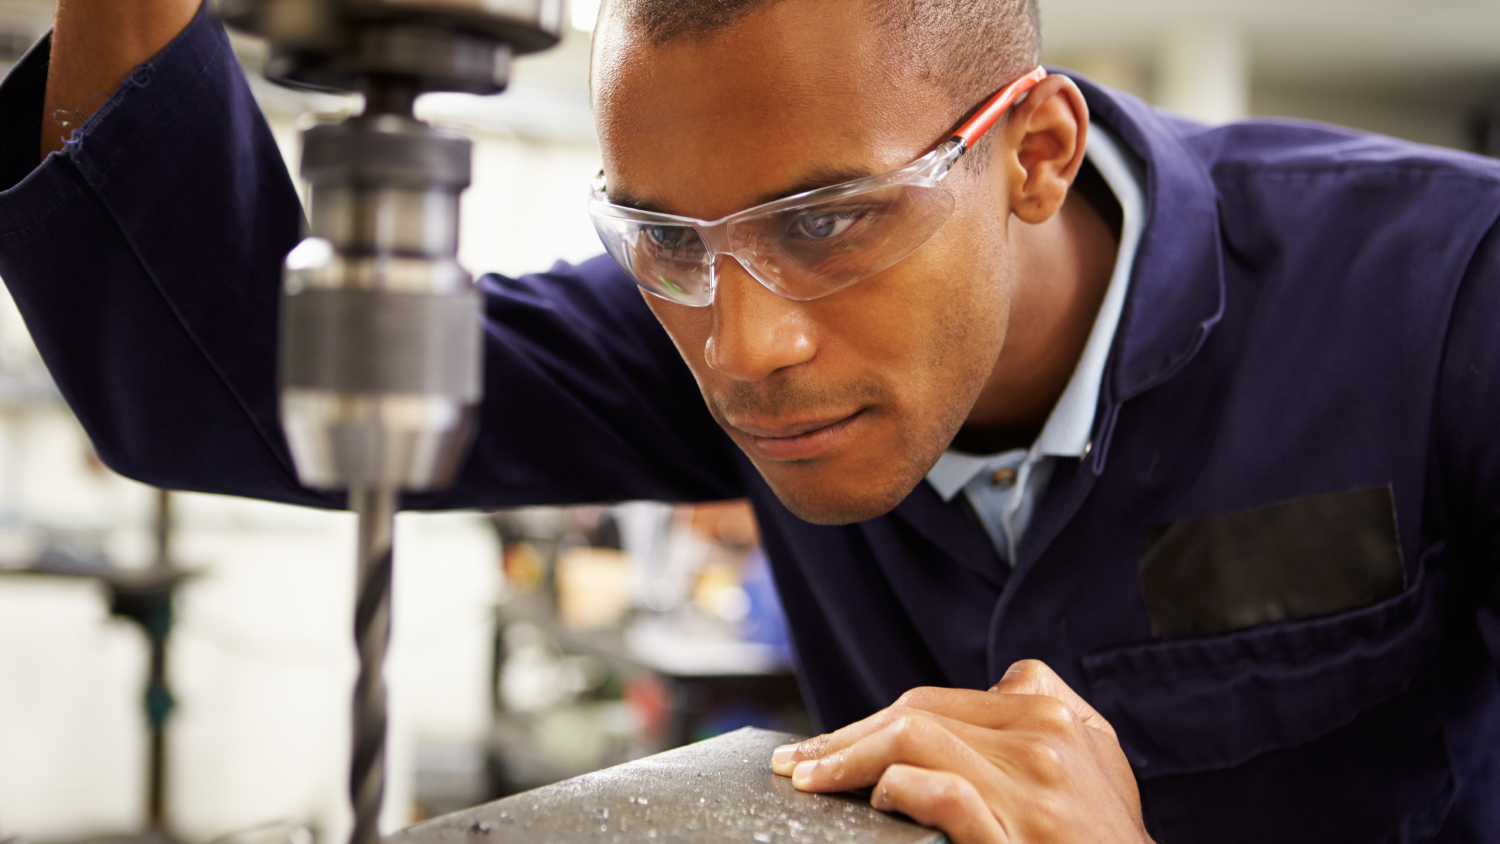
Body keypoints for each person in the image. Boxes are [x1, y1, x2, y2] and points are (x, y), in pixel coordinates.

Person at [1, 0, 1498, 840]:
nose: (743, 346)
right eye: (662, 237)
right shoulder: (707, 323)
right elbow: (232, 388)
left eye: (833, 221)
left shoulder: (1444, 299)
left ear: (1034, 154)